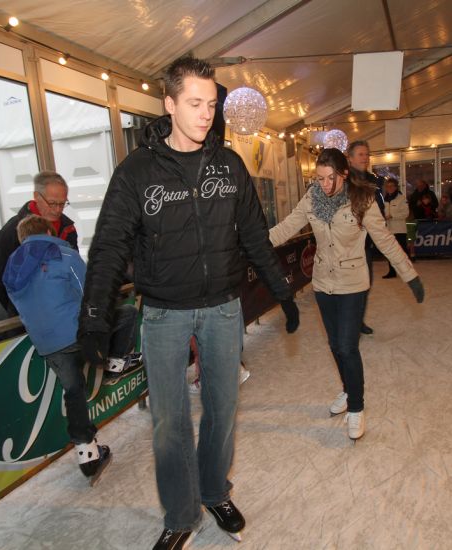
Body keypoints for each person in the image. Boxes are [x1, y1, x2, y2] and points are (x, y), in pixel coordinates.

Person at [77, 56, 299, 549]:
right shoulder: (137, 172)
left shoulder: (229, 165)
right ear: (169, 104)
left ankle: (215, 490)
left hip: (223, 308)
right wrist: (93, 317)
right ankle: (181, 515)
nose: (205, 114)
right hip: (163, 313)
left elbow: (255, 237)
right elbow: (109, 247)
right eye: (195, 103)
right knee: (169, 422)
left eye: (211, 104)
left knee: (222, 408)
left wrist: (282, 291)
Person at [268, 148, 425, 441]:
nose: (325, 185)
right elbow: (286, 227)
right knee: (334, 344)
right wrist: (254, 244)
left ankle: (356, 407)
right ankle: (347, 388)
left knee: (347, 346)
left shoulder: (362, 199)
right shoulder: (312, 197)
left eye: (330, 178)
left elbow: (385, 240)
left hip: (352, 283)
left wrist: (410, 275)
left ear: (343, 174)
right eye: (320, 178)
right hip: (323, 283)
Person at [2, 215, 112, 485]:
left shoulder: (11, 266)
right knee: (127, 315)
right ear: (50, 232)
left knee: (73, 391)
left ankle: (87, 453)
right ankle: (116, 362)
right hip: (76, 332)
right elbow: (89, 293)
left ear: (21, 238)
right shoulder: (64, 254)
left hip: (46, 342)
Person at [0, 171, 77, 313]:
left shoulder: (68, 229)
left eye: (62, 203)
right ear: (36, 197)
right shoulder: (12, 231)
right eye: (52, 203)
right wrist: (19, 306)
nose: (57, 210)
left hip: (62, 311)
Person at [346, 140, 382, 335]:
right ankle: (348, 324)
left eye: (367, 154)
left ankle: (358, 321)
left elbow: (379, 208)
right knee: (348, 287)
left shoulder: (374, 181)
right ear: (350, 158)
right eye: (360, 154)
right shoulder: (343, 181)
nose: (365, 158)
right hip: (347, 243)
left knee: (366, 283)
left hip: (366, 243)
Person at [382, 177, 409, 279]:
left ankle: (406, 271)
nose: (389, 188)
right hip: (388, 230)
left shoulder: (402, 198)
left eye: (391, 186)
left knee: (402, 252)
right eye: (387, 186)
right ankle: (392, 271)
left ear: (396, 187)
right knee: (390, 252)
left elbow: (405, 213)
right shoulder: (384, 199)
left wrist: (392, 216)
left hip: (399, 230)